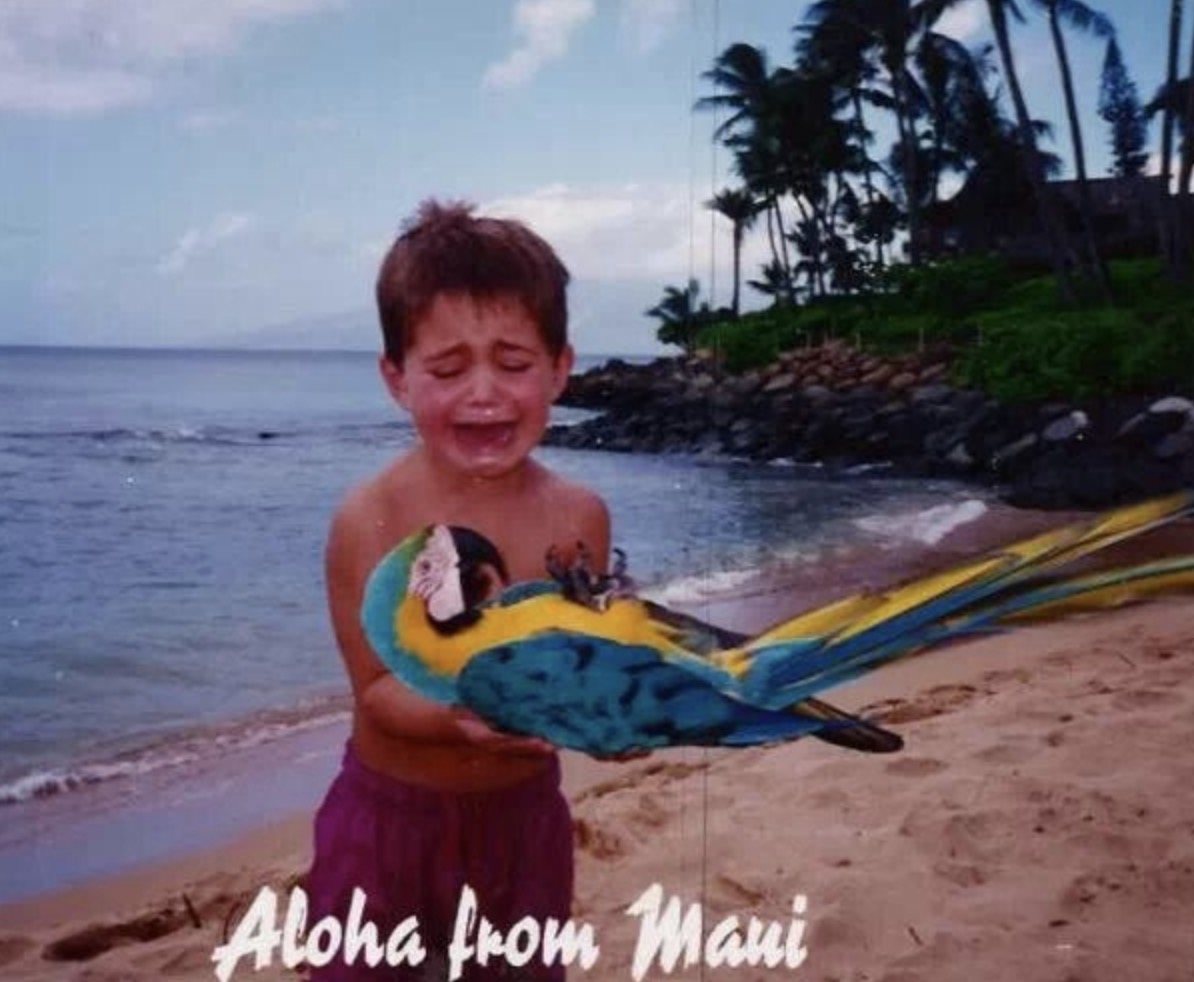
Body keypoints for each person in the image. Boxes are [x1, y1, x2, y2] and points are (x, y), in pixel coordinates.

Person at [304, 199, 611, 981]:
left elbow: (587, 665)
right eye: (447, 369)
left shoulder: (578, 518)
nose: (484, 393)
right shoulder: (371, 517)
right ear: (396, 379)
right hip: (387, 823)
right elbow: (375, 688)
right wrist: (462, 719)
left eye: (514, 364)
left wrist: (614, 715)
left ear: (561, 369)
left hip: (522, 825)